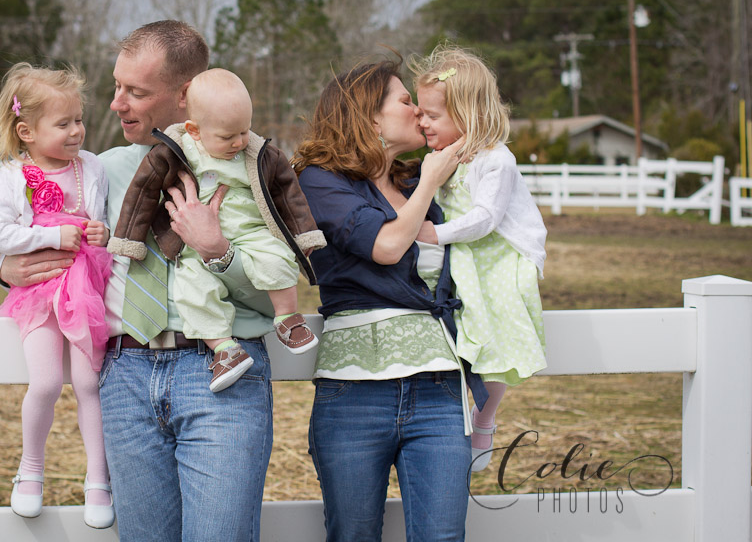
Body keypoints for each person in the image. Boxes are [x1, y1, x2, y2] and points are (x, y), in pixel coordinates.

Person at [0, 20, 275, 542]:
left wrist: (217, 250)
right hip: (124, 375)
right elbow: (16, 222)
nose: (116, 104)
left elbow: (276, 290)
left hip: (219, 370)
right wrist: (2, 269)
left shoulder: (249, 175)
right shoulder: (98, 171)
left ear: (185, 95)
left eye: (136, 92)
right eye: (116, 86)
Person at [293, 58, 487, 542]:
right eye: (406, 102)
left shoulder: (416, 180)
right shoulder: (321, 181)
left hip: (438, 386)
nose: (420, 112)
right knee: (354, 535)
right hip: (355, 392)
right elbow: (385, 246)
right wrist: (429, 182)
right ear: (370, 117)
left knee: (442, 536)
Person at [109, 67, 325, 392]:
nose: (239, 142)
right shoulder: (174, 151)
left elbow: (286, 192)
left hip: (252, 230)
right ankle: (224, 349)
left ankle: (287, 317)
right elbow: (141, 194)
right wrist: (128, 241)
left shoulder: (258, 152)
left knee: (278, 259)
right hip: (190, 248)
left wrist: (303, 235)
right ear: (194, 130)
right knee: (191, 290)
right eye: (227, 137)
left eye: (245, 131)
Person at [0, 63, 115, 528]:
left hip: (85, 290)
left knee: (90, 385)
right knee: (48, 383)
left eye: (79, 119)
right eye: (64, 123)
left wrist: (100, 231)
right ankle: (30, 471)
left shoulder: (90, 167)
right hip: (39, 293)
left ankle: (98, 478)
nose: (77, 130)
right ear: (27, 130)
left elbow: (105, 223)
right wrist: (49, 239)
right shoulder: (16, 176)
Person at [411, 43, 547, 473]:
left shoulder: (495, 160)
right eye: (419, 112)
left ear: (467, 115)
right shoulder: (445, 155)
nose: (421, 121)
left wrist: (436, 233)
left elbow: (486, 218)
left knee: (496, 328)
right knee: (466, 322)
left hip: (501, 251)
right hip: (468, 250)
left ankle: (485, 415)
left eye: (431, 115)